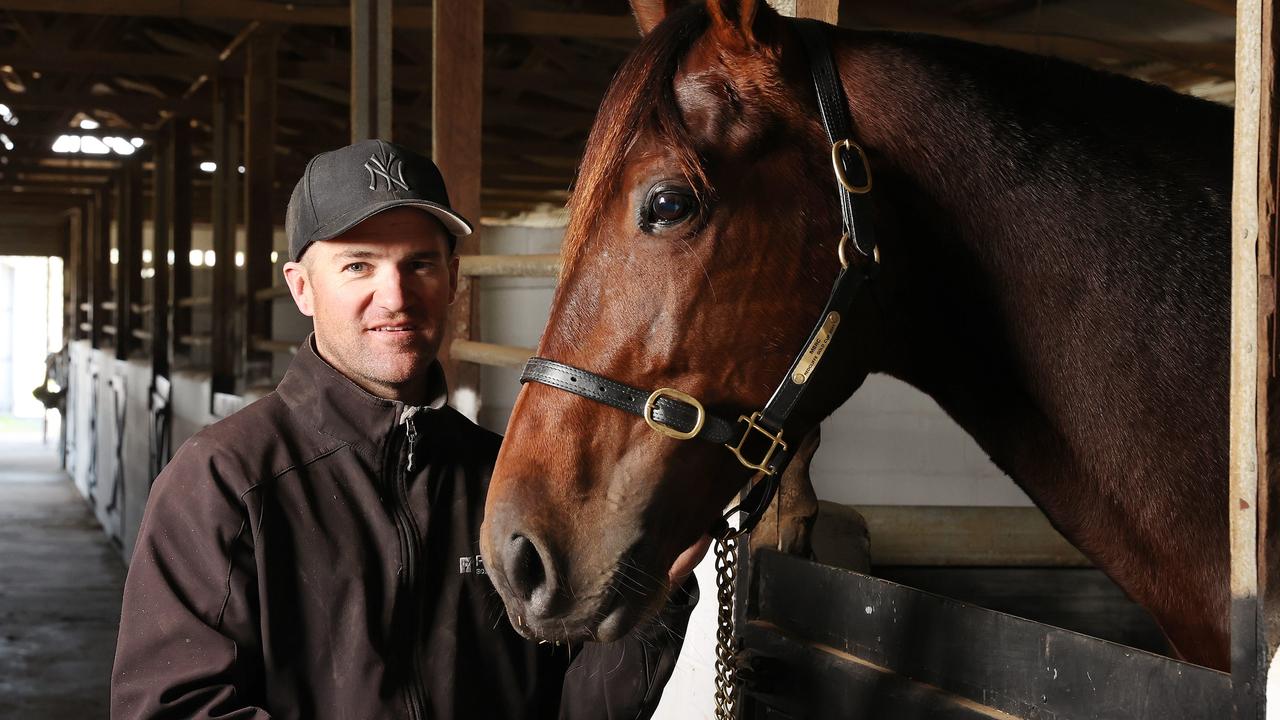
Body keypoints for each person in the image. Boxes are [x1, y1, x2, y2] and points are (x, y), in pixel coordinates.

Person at [110, 139, 696, 719]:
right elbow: (173, 708)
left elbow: (573, 709)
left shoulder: (508, 480)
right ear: (301, 288)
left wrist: (647, 611)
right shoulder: (224, 481)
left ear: (453, 278)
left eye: (419, 264)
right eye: (358, 265)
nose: (395, 297)